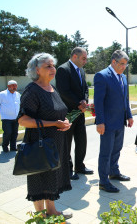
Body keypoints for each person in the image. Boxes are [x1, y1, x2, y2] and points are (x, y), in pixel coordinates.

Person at [18, 53, 72, 219]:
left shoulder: (52, 88)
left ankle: (52, 211)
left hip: (55, 142)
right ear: (36, 70)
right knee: (39, 179)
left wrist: (65, 120)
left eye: (53, 65)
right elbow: (23, 120)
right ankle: (41, 217)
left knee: (52, 177)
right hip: (39, 144)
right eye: (47, 66)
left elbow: (59, 111)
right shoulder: (32, 91)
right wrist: (54, 124)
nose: (52, 69)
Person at [94, 50, 133, 193]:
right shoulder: (102, 76)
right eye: (122, 64)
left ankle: (114, 172)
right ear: (113, 62)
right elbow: (98, 102)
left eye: (125, 64)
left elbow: (125, 98)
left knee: (117, 149)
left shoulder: (122, 77)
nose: (124, 67)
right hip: (107, 123)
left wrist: (129, 115)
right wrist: (100, 122)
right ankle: (103, 181)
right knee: (106, 152)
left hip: (120, 121)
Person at [56, 47, 93, 181]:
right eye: (84, 58)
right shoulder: (63, 69)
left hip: (80, 112)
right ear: (75, 57)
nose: (86, 61)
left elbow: (86, 89)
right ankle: (67, 168)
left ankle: (79, 166)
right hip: (68, 112)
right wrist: (79, 103)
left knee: (81, 140)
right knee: (67, 142)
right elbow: (64, 91)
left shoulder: (81, 70)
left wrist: (85, 100)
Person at [0, 80, 21, 152]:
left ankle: (13, 147)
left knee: (15, 133)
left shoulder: (17, 94)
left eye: (16, 85)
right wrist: (3, 111)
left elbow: (19, 104)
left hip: (16, 118)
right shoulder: (2, 94)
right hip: (6, 118)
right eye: (13, 85)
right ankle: (5, 146)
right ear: (8, 86)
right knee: (8, 132)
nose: (15, 87)